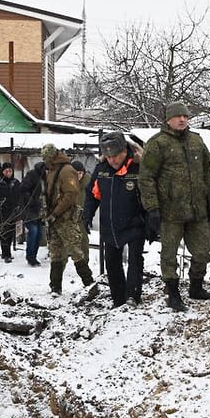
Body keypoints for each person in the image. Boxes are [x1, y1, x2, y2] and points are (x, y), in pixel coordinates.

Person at [137, 100, 210, 312]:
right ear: (168, 119)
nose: (182, 120)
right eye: (178, 116)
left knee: (202, 253)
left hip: (196, 210)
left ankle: (196, 287)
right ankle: (172, 293)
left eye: (186, 116)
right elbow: (146, 178)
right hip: (170, 211)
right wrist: (152, 208)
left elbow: (208, 173)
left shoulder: (197, 142)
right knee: (169, 255)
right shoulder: (158, 144)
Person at [84, 132, 146, 308]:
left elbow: (149, 196)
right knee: (112, 262)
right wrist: (87, 215)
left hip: (135, 222)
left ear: (125, 151)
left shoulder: (137, 168)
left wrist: (152, 219)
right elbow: (92, 195)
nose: (112, 160)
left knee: (135, 260)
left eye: (116, 156)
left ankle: (133, 296)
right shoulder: (102, 170)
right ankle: (118, 299)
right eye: (109, 156)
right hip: (110, 224)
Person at [41, 143, 94, 294]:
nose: (45, 161)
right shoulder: (54, 170)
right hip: (54, 217)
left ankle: (89, 283)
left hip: (65, 218)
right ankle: (55, 287)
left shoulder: (66, 170)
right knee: (56, 253)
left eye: (46, 158)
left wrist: (56, 213)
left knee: (76, 251)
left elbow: (71, 194)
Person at [17, 161, 47, 266]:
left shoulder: (45, 178)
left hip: (40, 209)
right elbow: (23, 189)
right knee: (33, 231)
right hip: (29, 209)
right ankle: (30, 257)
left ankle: (33, 256)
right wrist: (32, 201)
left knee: (39, 234)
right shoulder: (32, 175)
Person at [0, 162, 21, 263]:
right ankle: (6, 254)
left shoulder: (16, 182)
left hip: (13, 211)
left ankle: (7, 252)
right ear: (2, 171)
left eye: (10, 171)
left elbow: (20, 196)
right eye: (6, 171)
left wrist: (19, 208)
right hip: (1, 211)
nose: (8, 173)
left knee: (10, 232)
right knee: (3, 232)